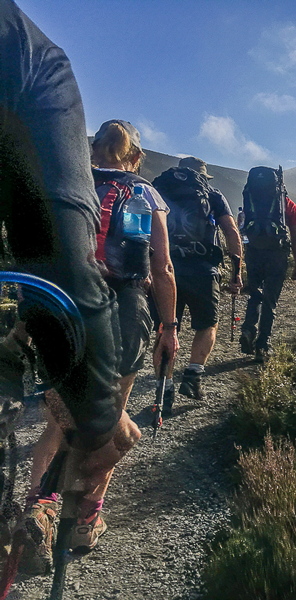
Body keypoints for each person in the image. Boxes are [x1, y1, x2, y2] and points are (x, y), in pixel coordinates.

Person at [0, 0, 159, 572]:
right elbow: (155, 267)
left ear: (93, 146)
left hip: (53, 302)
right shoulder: (141, 195)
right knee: (105, 417)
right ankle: (83, 516)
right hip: (117, 311)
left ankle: (36, 506)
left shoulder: (59, 164)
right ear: (135, 155)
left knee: (54, 419)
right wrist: (166, 326)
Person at [152, 156, 242, 410]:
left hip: (166, 271)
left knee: (165, 328)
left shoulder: (158, 189)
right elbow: (232, 233)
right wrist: (236, 272)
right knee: (208, 325)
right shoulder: (212, 194)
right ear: (202, 175)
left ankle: (164, 390)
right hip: (204, 271)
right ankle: (193, 376)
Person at [239, 166, 296, 363]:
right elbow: (295, 238)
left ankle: (248, 329)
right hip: (277, 255)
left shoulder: (251, 201)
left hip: (253, 252)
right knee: (270, 301)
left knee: (255, 294)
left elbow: (241, 227)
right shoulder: (287, 205)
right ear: (280, 183)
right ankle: (262, 345)